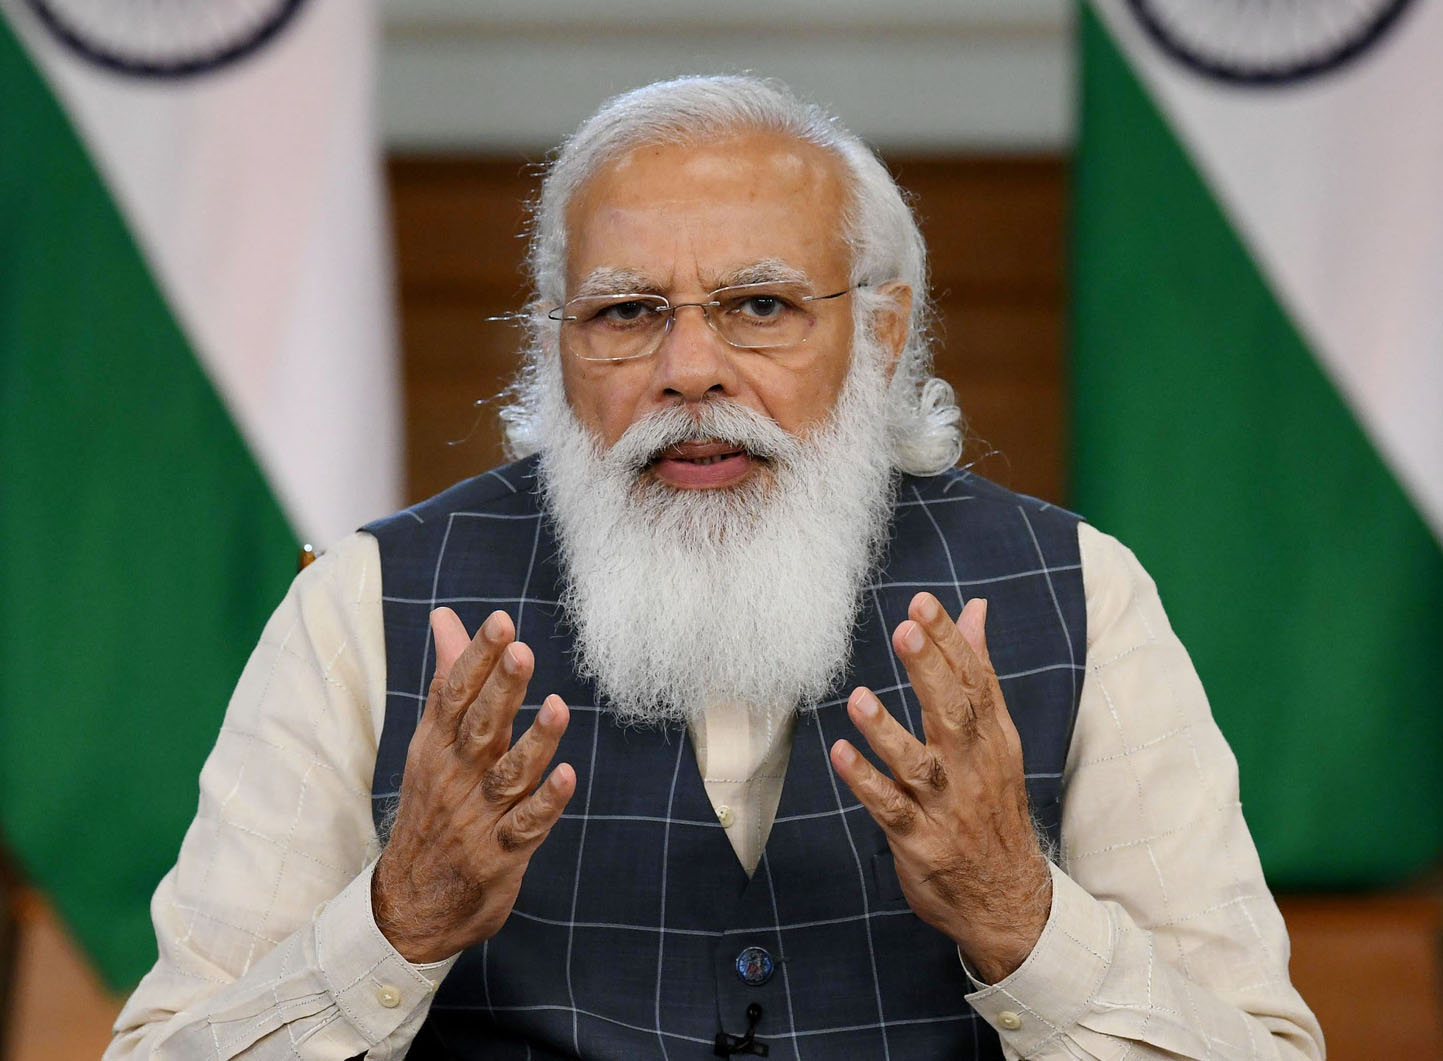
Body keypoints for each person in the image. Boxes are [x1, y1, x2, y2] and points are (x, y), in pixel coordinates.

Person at [108, 75, 1324, 1060]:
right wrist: (394, 926)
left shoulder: (1080, 591)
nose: (689, 368)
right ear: (556, 346)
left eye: (757, 305)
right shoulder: (363, 609)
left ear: (882, 333)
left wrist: (1022, 919)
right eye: (626, 313)